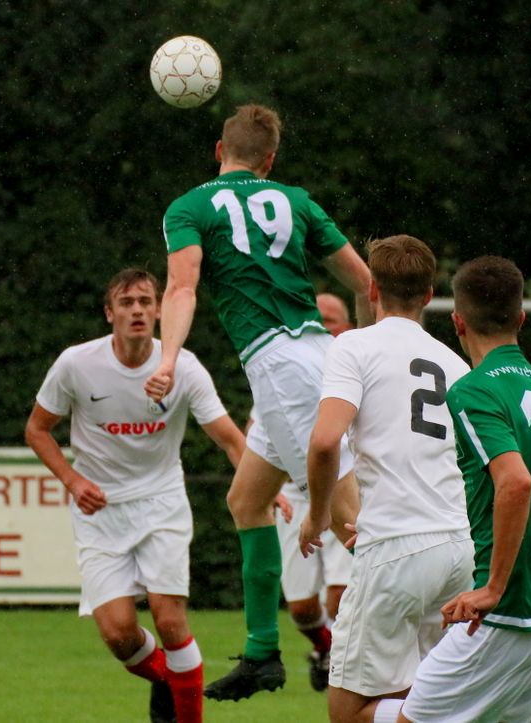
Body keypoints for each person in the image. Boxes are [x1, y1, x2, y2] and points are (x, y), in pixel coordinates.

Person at [144, 103, 372, 701]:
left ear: (219, 152)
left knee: (354, 523)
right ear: (269, 160)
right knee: (246, 500)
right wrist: (375, 348)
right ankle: (262, 653)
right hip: (311, 354)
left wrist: (167, 359)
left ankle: (426, 638)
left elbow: (182, 286)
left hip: (280, 368)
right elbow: (366, 282)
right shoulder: (295, 199)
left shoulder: (189, 207)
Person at [370, 255, 531, 723]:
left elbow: (516, 481)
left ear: (457, 322)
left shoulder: (474, 390)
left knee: (366, 715)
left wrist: (493, 587)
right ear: (521, 318)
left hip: (514, 611)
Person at [25, 268, 246, 723]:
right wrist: (73, 480)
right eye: (127, 303)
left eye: (146, 301)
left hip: (161, 503)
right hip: (99, 512)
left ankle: (187, 711)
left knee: (169, 621)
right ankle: (174, 681)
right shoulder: (76, 364)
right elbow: (37, 429)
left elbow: (228, 438)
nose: (138, 311)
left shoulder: (183, 366)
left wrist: (261, 493)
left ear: (161, 311)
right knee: (120, 635)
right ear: (110, 314)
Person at [301, 235, 474, 723]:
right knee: (415, 697)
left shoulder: (353, 346)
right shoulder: (454, 363)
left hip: (396, 549)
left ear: (372, 289)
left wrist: (317, 518)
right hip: (456, 547)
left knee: (347, 710)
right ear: (428, 293)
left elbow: (323, 441)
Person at [275, 292, 355, 692]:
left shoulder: (359, 368)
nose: (326, 328)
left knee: (340, 600)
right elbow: (261, 436)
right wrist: (266, 489)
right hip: (296, 495)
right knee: (303, 608)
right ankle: (325, 650)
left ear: (348, 327)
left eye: (334, 320)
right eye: (317, 320)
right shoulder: (283, 370)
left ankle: (347, 674)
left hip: (345, 491)